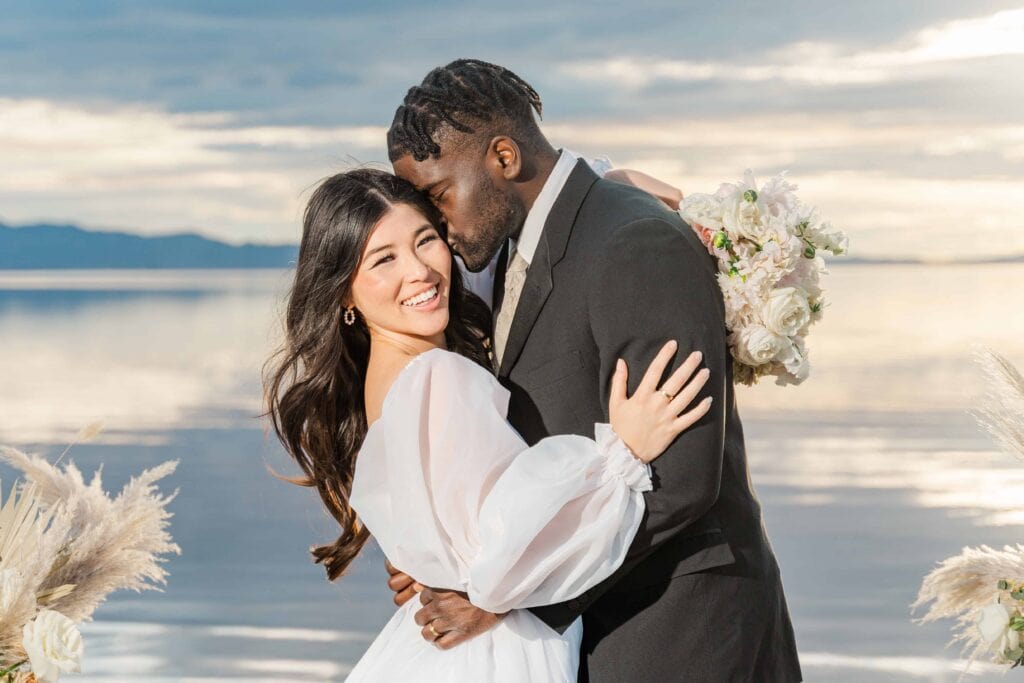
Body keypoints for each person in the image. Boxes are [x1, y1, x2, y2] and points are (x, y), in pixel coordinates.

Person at [385, 59, 802, 681]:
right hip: (604, 621)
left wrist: (505, 593)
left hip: (682, 625)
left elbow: (682, 481)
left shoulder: (636, 242)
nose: (436, 222)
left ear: (503, 157)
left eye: (438, 194)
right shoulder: (512, 245)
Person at [263, 168, 714, 681]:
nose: (420, 272)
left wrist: (609, 179)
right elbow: (504, 554)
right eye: (384, 259)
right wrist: (624, 452)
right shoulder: (435, 376)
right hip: (496, 650)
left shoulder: (386, 377)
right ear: (344, 293)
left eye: (425, 241)